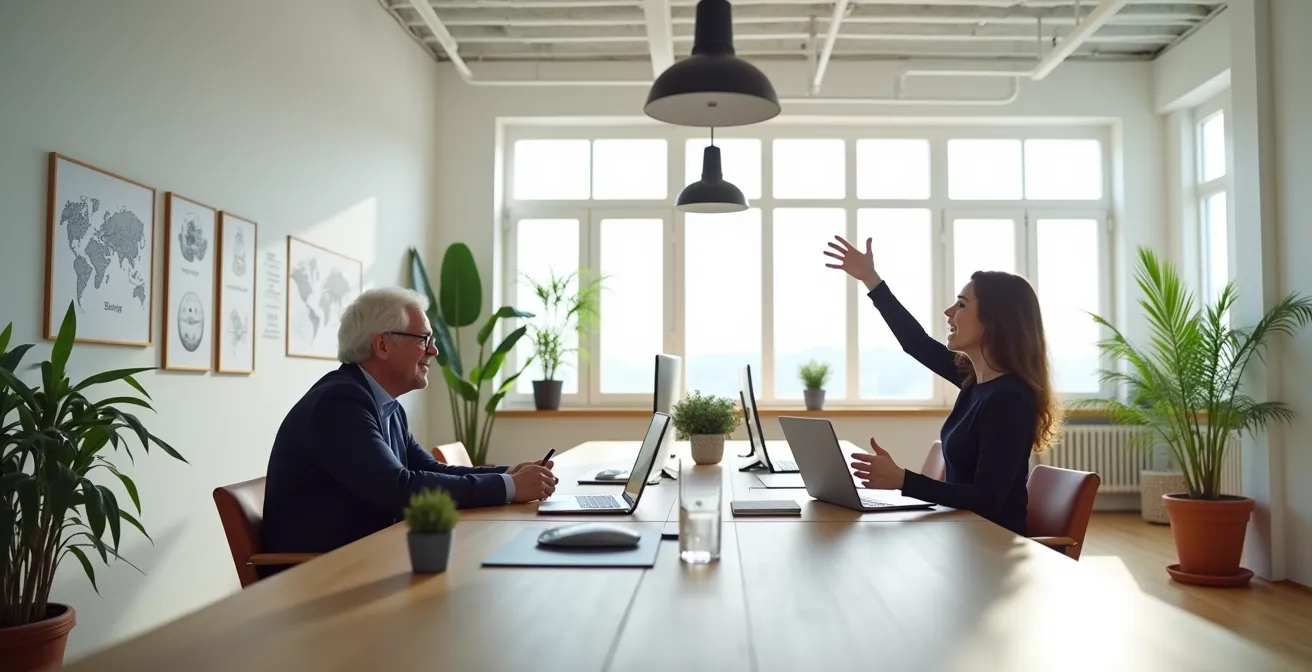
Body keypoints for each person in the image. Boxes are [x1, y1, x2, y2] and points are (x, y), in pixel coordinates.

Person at [261, 287, 558, 563]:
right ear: (382, 345)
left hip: (366, 557)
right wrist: (510, 487)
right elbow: (398, 489)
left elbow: (431, 470)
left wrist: (509, 474)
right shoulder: (339, 403)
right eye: (423, 340)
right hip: (320, 573)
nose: (434, 351)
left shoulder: (383, 404)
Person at [824, 235, 1060, 536]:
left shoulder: (1009, 400)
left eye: (961, 304)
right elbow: (915, 342)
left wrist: (903, 480)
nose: (949, 313)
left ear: (994, 320)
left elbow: (987, 499)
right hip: (963, 534)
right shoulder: (975, 382)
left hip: (991, 545)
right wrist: (870, 278)